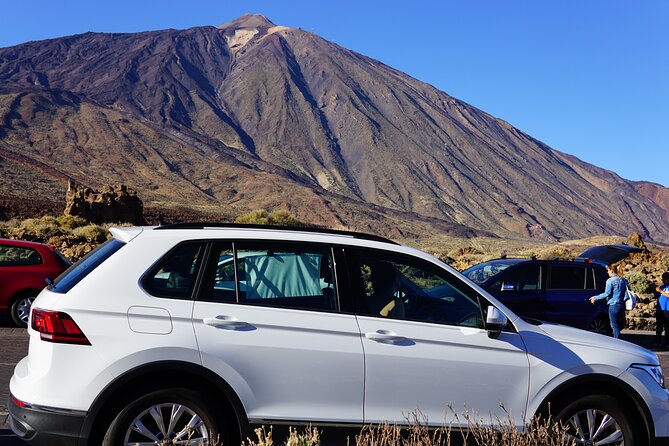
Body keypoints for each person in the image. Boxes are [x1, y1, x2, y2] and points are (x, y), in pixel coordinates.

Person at [589, 262, 627, 338]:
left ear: (612, 271)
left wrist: (595, 297)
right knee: (619, 325)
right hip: (622, 305)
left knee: (614, 325)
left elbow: (607, 293)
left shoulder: (610, 281)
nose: (607, 272)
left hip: (613, 305)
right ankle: (619, 339)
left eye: (608, 271)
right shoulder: (623, 280)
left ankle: (617, 342)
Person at [654, 272, 669, 347]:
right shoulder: (662, 286)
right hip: (660, 309)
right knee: (659, 325)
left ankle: (667, 342)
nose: (662, 280)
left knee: (667, 326)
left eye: (664, 279)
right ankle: (657, 340)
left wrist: (661, 291)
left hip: (667, 309)